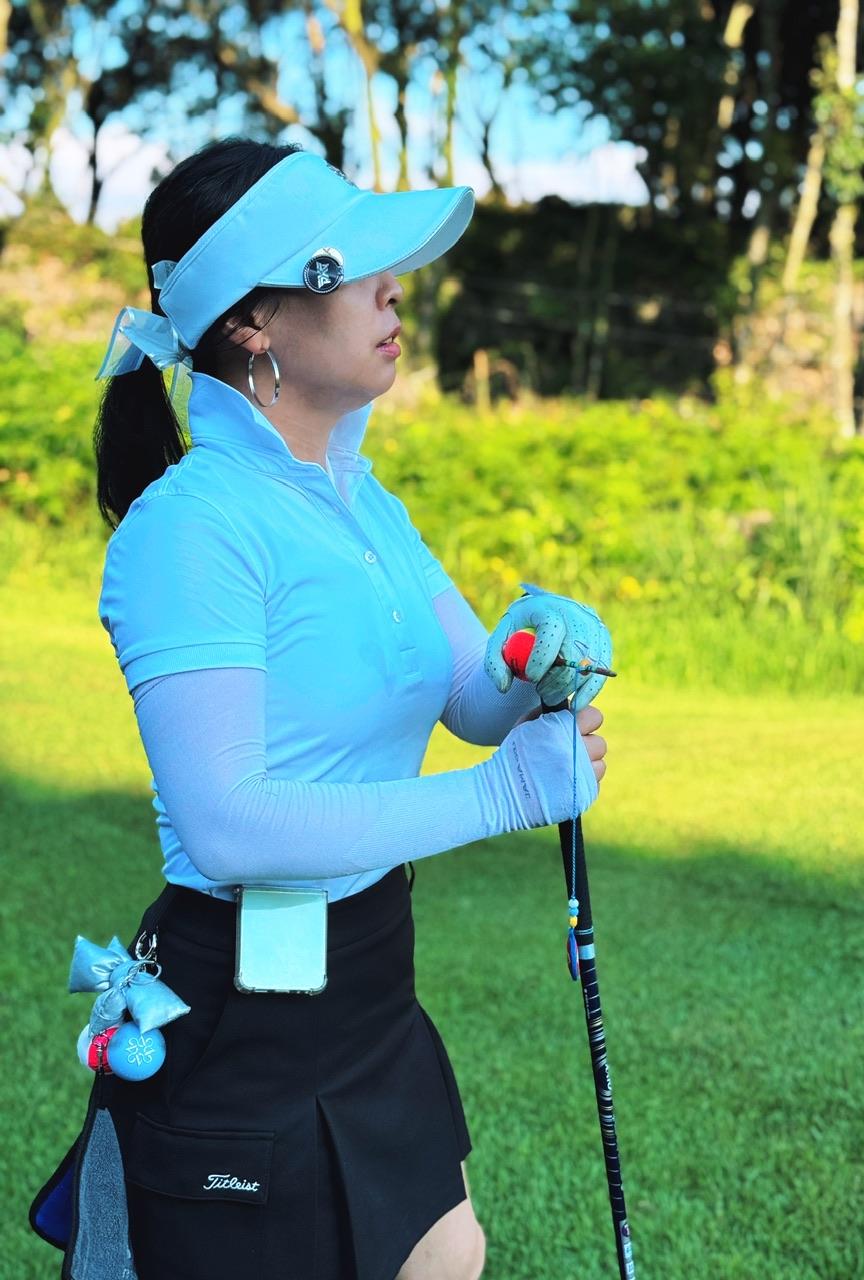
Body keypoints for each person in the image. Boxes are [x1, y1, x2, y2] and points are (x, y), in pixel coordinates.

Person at [30, 137, 611, 1280]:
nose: (394, 291)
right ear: (254, 321)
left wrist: (532, 653)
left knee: (446, 1251)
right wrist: (501, 795)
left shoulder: (362, 497)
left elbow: (472, 697)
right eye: (350, 267)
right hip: (243, 1003)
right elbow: (229, 823)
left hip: (371, 977)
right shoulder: (190, 528)